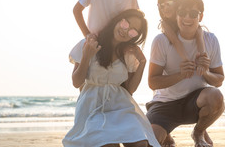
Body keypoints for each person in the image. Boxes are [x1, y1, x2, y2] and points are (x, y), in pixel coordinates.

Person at [63, 9, 161, 147]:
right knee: (107, 144)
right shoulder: (89, 44)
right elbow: (76, 82)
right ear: (119, 20)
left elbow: (130, 90)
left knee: (140, 143)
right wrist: (86, 56)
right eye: (126, 24)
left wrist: (142, 63)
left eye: (133, 31)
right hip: (93, 107)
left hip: (120, 106)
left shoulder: (129, 54)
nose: (126, 31)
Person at [146, 0, 225, 147]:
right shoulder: (161, 41)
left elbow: (220, 79)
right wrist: (180, 75)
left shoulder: (211, 40)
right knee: (150, 144)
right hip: (165, 105)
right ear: (176, 15)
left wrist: (206, 72)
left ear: (200, 16)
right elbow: (152, 82)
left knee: (215, 96)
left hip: (194, 102)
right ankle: (166, 134)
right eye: (182, 13)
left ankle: (198, 133)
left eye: (193, 14)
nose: (187, 18)